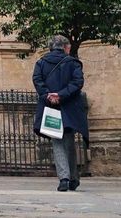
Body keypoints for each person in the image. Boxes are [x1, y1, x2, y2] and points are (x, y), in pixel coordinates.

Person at [33, 34, 88, 192]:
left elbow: (37, 80)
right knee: (69, 141)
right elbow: (77, 82)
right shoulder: (73, 63)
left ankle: (64, 178)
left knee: (57, 141)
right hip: (68, 106)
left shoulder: (41, 62)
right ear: (66, 47)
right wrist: (62, 95)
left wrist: (48, 95)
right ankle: (72, 178)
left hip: (51, 107)